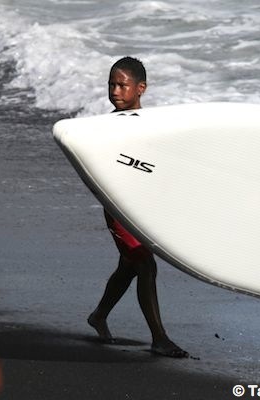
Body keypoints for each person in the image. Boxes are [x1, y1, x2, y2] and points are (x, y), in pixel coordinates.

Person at [87, 56, 188, 358]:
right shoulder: (107, 127)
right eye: (111, 85)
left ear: (140, 88)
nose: (115, 91)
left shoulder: (149, 125)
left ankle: (99, 316)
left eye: (122, 85)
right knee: (145, 265)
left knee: (129, 265)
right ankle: (159, 338)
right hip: (118, 207)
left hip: (143, 205)